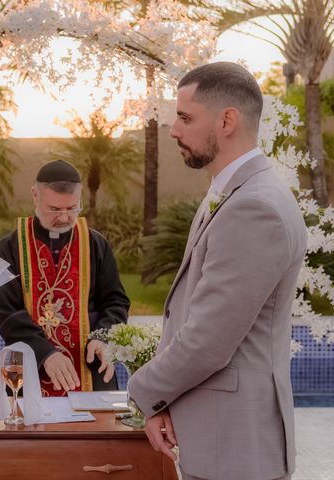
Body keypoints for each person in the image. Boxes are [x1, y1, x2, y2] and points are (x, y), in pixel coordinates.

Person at [127, 62, 307, 480]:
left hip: (236, 451)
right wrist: (165, 403)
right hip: (222, 441)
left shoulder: (253, 207)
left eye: (186, 118)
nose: (173, 130)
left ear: (227, 121)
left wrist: (144, 392)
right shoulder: (237, 193)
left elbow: (208, 340)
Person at [0, 160, 130, 397]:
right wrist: (46, 353)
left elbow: (116, 302)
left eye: (73, 208)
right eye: (55, 209)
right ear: (35, 196)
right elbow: (8, 312)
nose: (65, 218)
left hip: (90, 370)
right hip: (30, 368)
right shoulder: (10, 247)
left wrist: (102, 338)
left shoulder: (96, 244)